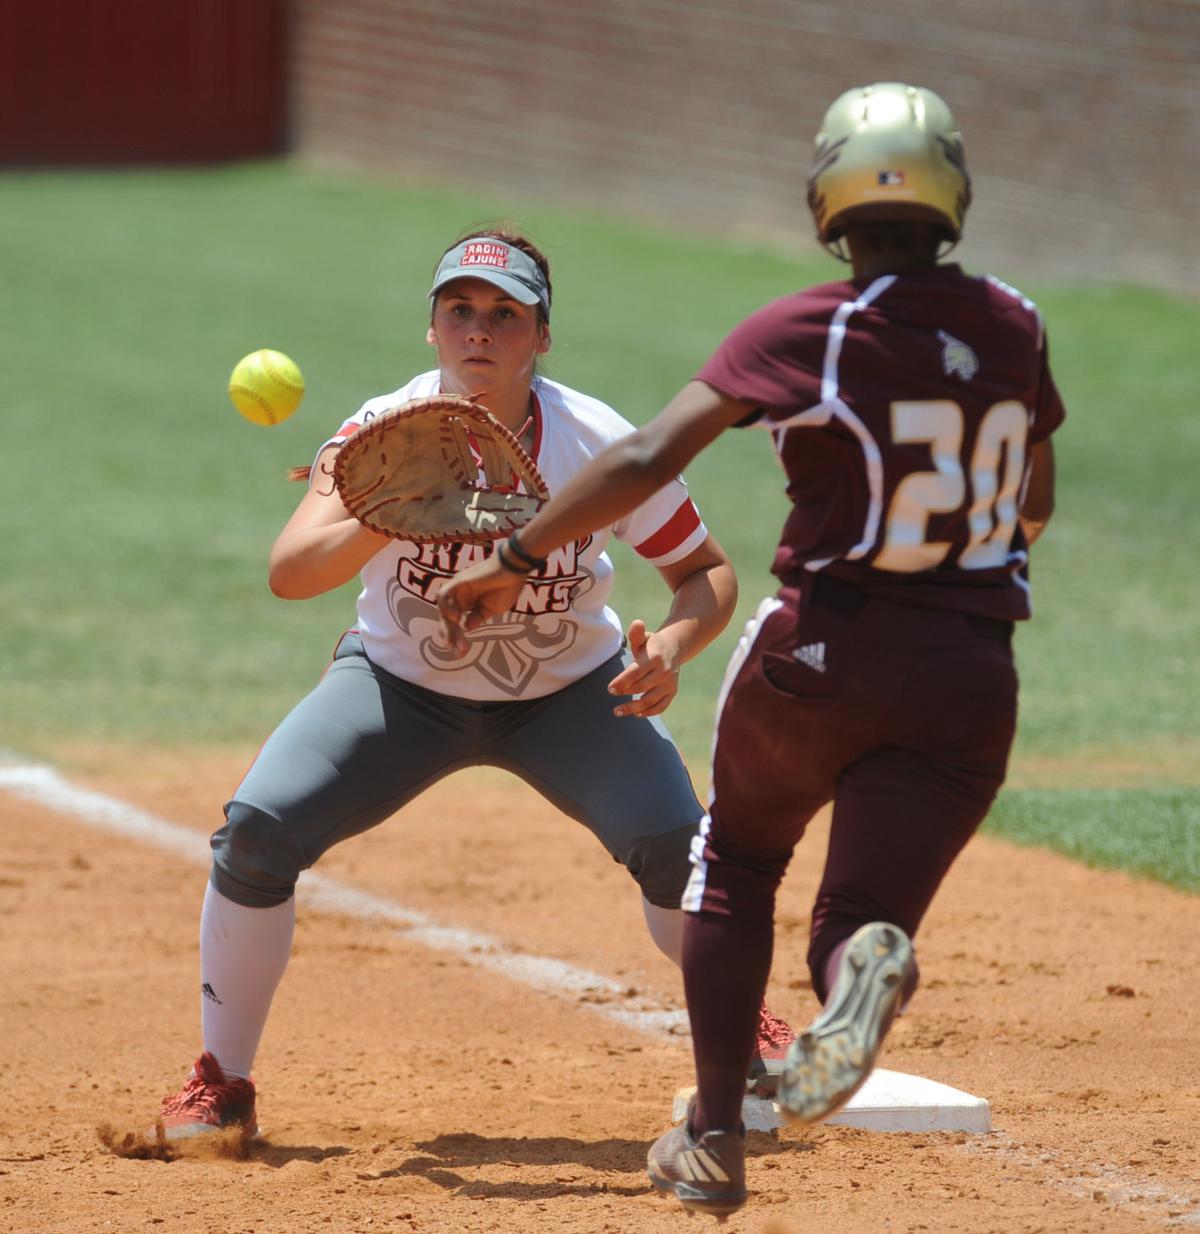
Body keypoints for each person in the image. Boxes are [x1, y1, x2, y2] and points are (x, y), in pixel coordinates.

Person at [437, 84, 1064, 1217]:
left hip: (822, 651)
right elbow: (1033, 503)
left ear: (827, 193)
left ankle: (716, 1135)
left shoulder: (804, 330)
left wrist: (523, 550)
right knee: (858, 910)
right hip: (974, 672)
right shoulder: (1016, 323)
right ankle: (847, 982)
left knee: (733, 867)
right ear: (953, 192)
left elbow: (641, 457)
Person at [153, 227, 798, 1140]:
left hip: (573, 694)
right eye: (459, 309)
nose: (479, 331)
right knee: (256, 832)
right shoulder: (384, 430)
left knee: (679, 851)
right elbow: (291, 572)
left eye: (506, 314)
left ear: (542, 335)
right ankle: (222, 1083)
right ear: (432, 328)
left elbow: (709, 572)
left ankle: (747, 1030)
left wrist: (675, 646)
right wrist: (395, 505)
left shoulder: (596, 441)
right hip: (398, 688)